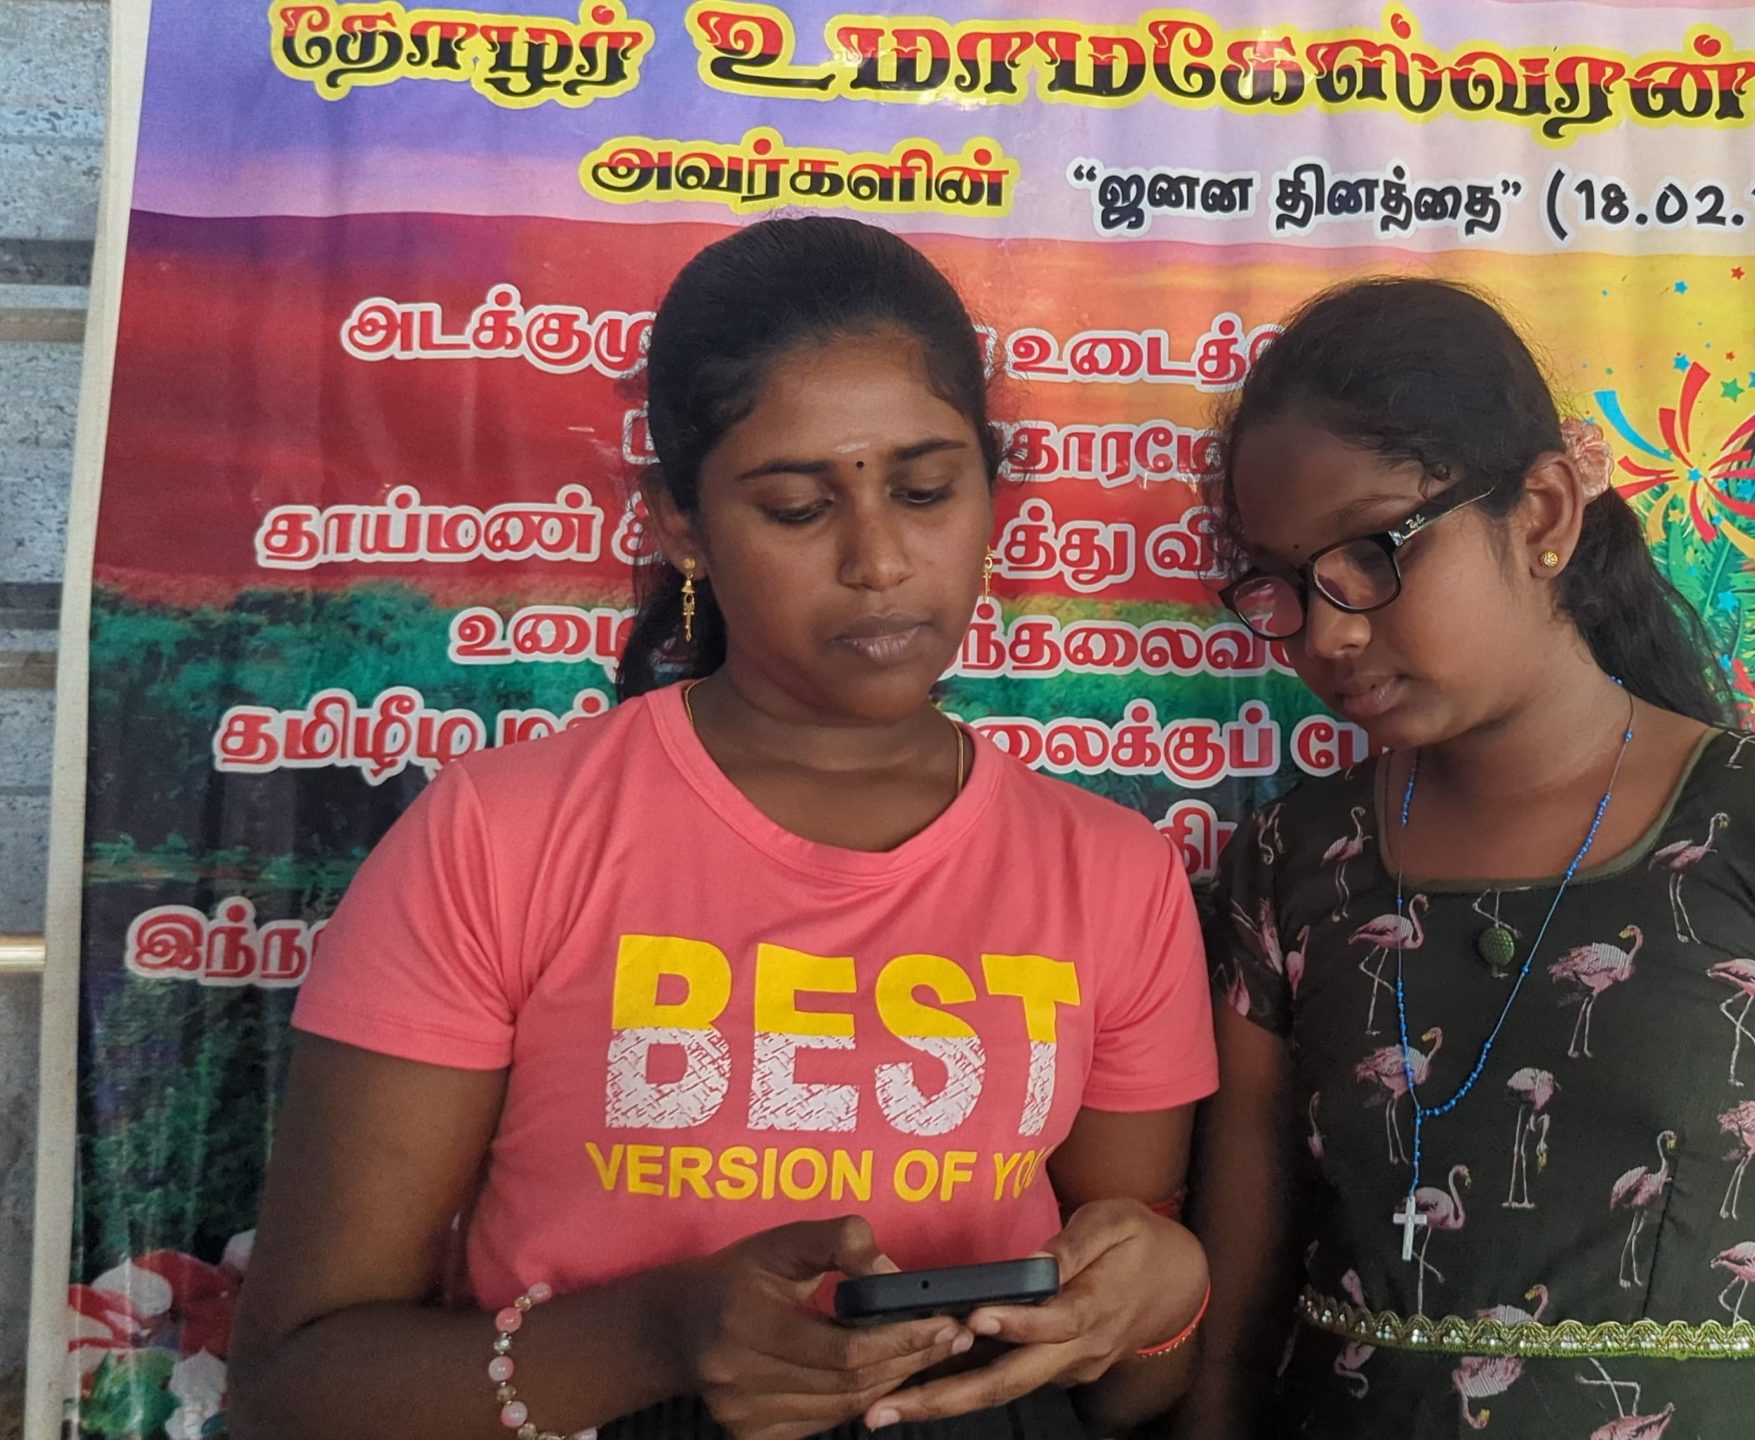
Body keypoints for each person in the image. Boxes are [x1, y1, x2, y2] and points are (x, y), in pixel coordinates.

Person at [231, 216, 1218, 1440]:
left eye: (925, 490)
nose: (878, 561)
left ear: (991, 490)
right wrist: (662, 1334)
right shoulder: (499, 836)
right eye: (797, 509)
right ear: (682, 523)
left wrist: (1165, 1294)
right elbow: (291, 1388)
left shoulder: (1110, 872)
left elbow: (1132, 1387)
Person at [1180, 277, 1755, 1440]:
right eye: (1284, 580)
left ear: (1543, 513)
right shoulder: (1288, 863)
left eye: (1371, 552)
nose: (1329, 630)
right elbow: (1228, 1345)